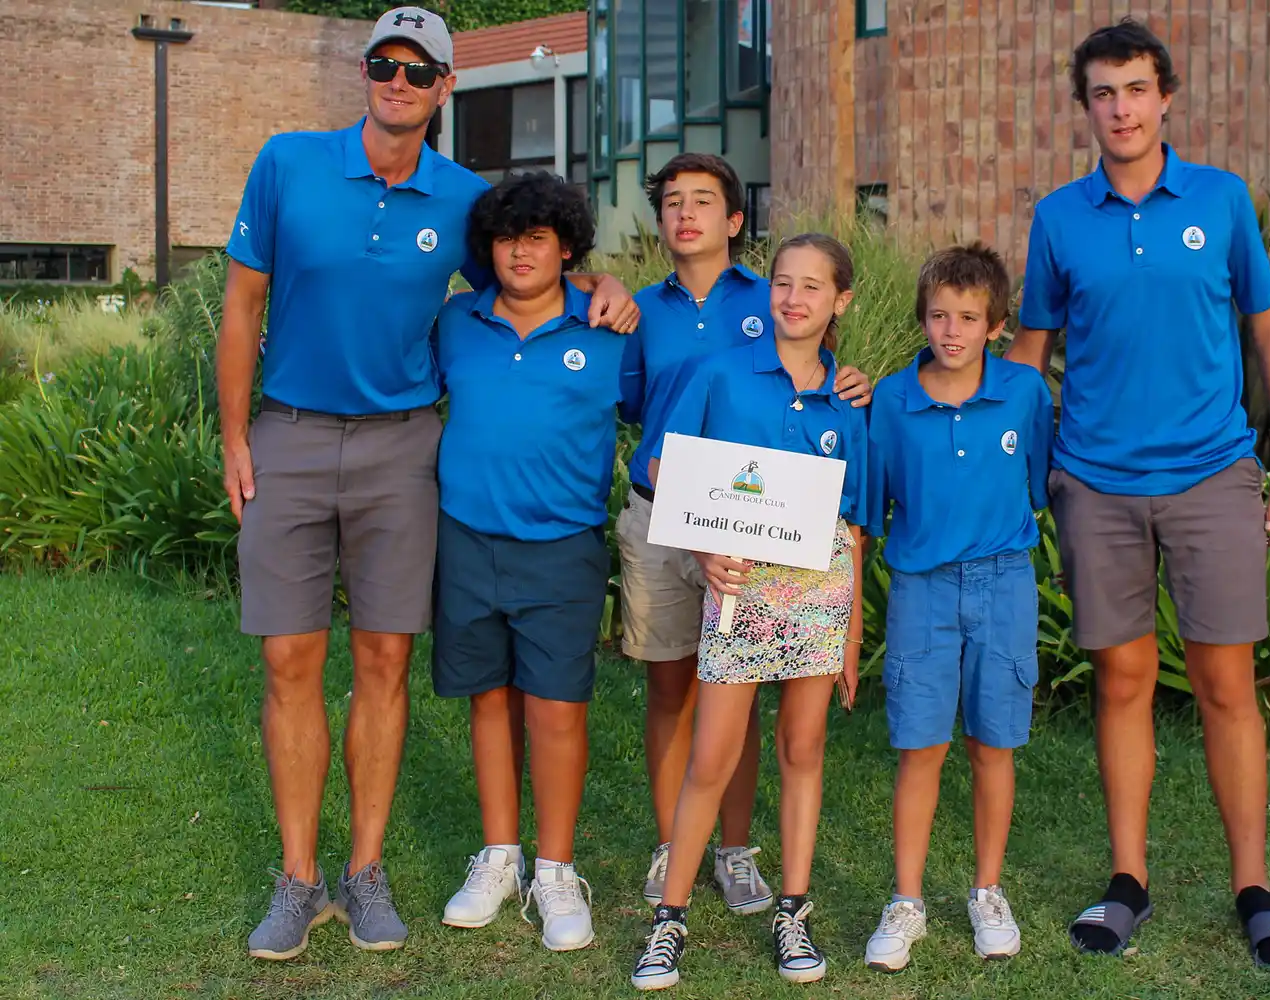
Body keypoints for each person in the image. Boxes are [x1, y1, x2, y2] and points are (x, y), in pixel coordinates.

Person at [220, 6, 636, 961]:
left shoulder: (464, 201)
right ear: (365, 73)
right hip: (288, 435)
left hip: (401, 449)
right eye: (385, 65)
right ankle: (298, 879)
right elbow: (242, 305)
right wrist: (235, 436)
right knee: (288, 661)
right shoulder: (288, 163)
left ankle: (364, 872)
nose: (398, 82)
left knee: (384, 660)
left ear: (445, 87)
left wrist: (603, 284)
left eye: (418, 70)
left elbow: (529, 269)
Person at [1006, 17, 1270, 972]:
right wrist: (1007, 468)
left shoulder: (1220, 200)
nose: (1121, 108)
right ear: (1085, 107)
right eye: (1103, 93)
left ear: (1165, 96)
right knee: (1123, 682)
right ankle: (1127, 882)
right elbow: (1029, 354)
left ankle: (1254, 890)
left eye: (1136, 89)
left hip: (1212, 475)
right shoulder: (1060, 218)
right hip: (1095, 484)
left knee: (1227, 687)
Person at [616, 153, 872, 914]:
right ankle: (675, 850)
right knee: (673, 688)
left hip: (782, 556)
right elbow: (638, 414)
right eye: (672, 201)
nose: (685, 212)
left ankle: (733, 851)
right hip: (674, 517)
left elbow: (846, 497)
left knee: (742, 701)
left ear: (734, 220)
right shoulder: (641, 311)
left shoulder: (771, 300)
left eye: (703, 200)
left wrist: (848, 383)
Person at [429, 171, 637, 952]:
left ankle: (555, 868)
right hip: (468, 539)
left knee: (555, 707)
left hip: (561, 546)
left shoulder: (610, 328)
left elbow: (673, 401)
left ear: (568, 249)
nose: (521, 252)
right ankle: (500, 855)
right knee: (489, 699)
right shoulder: (457, 321)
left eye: (539, 239)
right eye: (508, 238)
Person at [861, 243, 1053, 971]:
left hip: (1004, 583)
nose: (952, 331)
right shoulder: (892, 400)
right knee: (921, 746)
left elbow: (1039, 481)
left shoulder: (1024, 393)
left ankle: (987, 891)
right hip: (923, 588)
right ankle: (906, 900)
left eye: (969, 318)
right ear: (923, 319)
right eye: (939, 316)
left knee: (992, 743)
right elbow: (874, 501)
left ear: (996, 326)